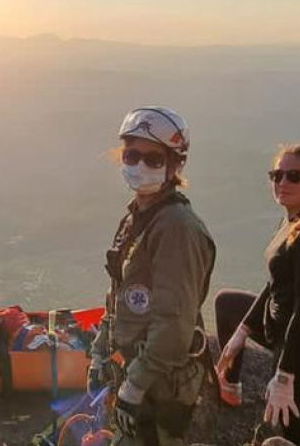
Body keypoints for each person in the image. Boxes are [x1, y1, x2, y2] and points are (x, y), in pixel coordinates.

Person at [87, 106, 216, 445]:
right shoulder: (138, 217)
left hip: (162, 383)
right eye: (132, 155)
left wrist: (135, 386)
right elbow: (119, 293)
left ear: (176, 164)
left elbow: (173, 320)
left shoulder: (176, 228)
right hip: (137, 369)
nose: (139, 165)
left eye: (153, 159)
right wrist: (101, 350)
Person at [214, 144, 300, 446]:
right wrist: (242, 332)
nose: (282, 183)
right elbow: (275, 282)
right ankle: (229, 388)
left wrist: (285, 374)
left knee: (295, 433)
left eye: (293, 176)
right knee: (227, 304)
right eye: (277, 175)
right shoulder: (293, 220)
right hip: (281, 327)